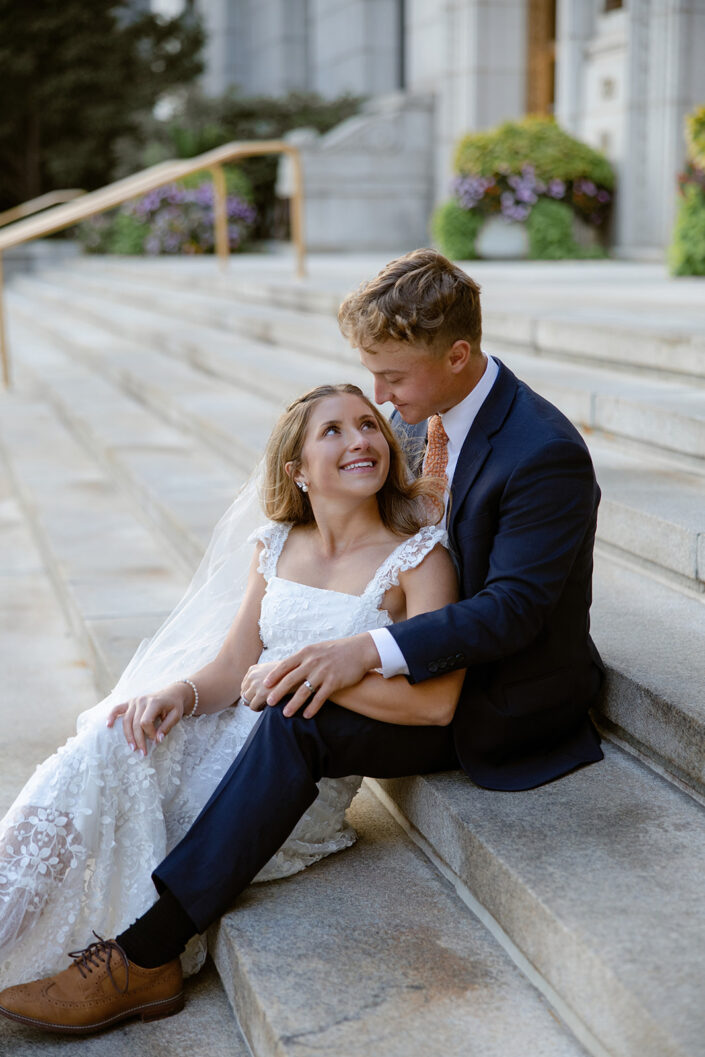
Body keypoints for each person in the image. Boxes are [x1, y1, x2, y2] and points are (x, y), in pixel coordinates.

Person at [0, 248, 605, 1036]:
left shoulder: (541, 451)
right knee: (122, 738)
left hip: (500, 695)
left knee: (300, 718)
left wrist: (359, 651)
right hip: (406, 648)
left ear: (457, 355)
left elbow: (513, 610)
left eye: (391, 378)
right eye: (370, 378)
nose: (380, 401)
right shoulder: (407, 421)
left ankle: (144, 955)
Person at [0, 381, 458, 1019]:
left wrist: (318, 675)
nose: (361, 440)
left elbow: (436, 705)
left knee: (154, 808)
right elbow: (234, 664)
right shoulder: (276, 545)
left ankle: (130, 964)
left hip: (285, 776)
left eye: (369, 426)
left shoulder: (417, 560)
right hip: (229, 724)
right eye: (334, 431)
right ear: (296, 471)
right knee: (111, 737)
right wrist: (180, 695)